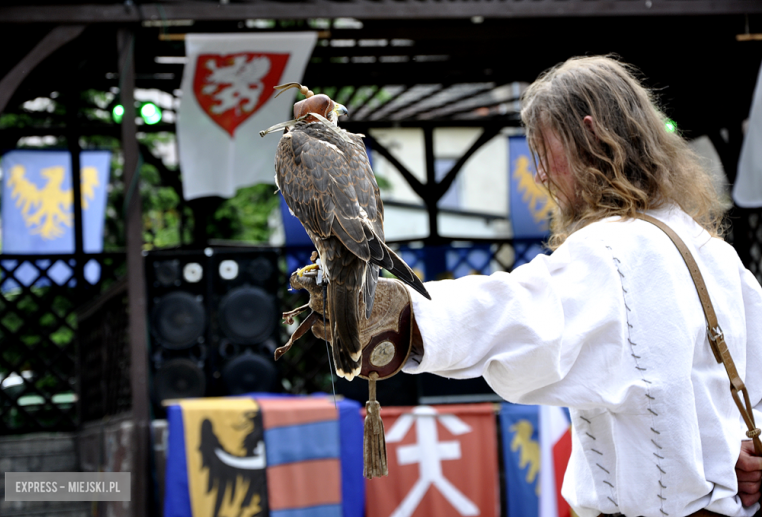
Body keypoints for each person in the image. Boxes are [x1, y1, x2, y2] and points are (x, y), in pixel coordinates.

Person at [300, 55, 762, 516]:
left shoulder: (614, 250)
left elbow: (520, 309)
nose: (541, 175)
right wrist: (738, 453)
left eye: (543, 152)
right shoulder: (715, 253)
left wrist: (405, 311)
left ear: (591, 135)